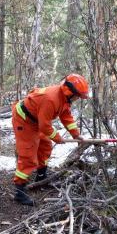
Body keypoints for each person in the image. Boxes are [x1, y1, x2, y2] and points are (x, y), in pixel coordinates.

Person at [12, 74, 89, 206]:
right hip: (24, 120)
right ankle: (19, 191)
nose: (77, 99)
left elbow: (66, 116)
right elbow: (45, 126)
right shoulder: (51, 99)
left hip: (36, 120)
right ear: (70, 92)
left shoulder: (64, 99)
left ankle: (41, 177)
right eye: (77, 96)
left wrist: (76, 134)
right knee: (28, 155)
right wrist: (57, 137)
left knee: (45, 146)